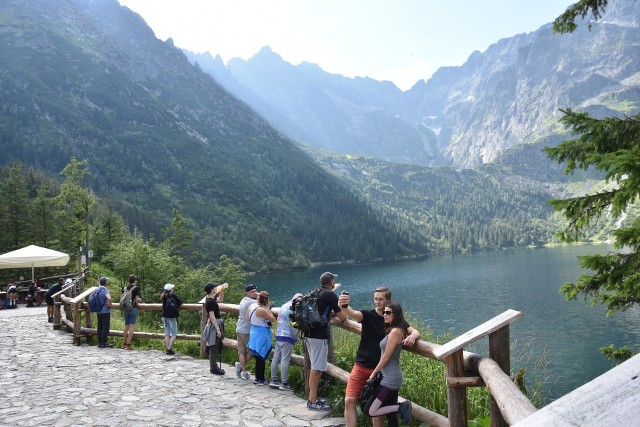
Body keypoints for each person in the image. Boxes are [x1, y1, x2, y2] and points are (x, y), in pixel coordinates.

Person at [338, 287, 421, 427]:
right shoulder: (368, 315)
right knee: (349, 401)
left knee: (377, 410)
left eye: (381, 299)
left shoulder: (393, 320)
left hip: (381, 372)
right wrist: (344, 306)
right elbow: (352, 313)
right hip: (361, 366)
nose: (377, 302)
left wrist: (412, 337)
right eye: (375, 298)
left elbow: (415, 332)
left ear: (388, 300)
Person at [305, 272, 347, 411]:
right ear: (331, 282)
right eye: (334, 280)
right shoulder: (329, 294)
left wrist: (333, 313)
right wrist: (344, 309)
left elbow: (324, 312)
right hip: (318, 336)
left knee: (314, 367)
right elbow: (342, 317)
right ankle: (313, 401)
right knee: (317, 369)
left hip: (309, 334)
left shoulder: (316, 293)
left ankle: (312, 398)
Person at [367, 302, 412, 426]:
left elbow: (386, 357)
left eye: (388, 313)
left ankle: (402, 407)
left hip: (390, 379)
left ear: (396, 314)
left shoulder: (395, 332)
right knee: (391, 416)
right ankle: (398, 408)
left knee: (370, 410)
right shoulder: (395, 329)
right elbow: (414, 332)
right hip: (389, 376)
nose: (384, 315)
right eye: (384, 312)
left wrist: (373, 373)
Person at [269, 292, 302, 391]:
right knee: (285, 360)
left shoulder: (284, 305)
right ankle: (284, 383)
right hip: (287, 336)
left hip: (279, 334)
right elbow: (296, 325)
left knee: (276, 358)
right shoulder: (293, 309)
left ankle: (274, 380)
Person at [247, 290, 275, 385]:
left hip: (253, 331)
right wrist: (268, 309)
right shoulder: (262, 310)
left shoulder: (252, 306)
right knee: (261, 356)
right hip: (261, 334)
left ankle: (257, 378)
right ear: (266, 301)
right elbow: (272, 319)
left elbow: (247, 318)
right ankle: (261, 379)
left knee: (257, 356)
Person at [235, 284, 258, 380]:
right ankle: (242, 369)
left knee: (241, 351)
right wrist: (259, 295)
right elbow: (263, 302)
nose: (254, 293)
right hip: (246, 331)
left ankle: (242, 369)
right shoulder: (252, 302)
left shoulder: (244, 300)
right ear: (246, 293)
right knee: (252, 351)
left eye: (255, 291)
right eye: (252, 292)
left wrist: (257, 294)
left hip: (240, 328)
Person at [203, 282, 226, 375]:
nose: (216, 288)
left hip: (214, 323)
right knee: (213, 346)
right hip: (214, 324)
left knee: (215, 346)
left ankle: (214, 366)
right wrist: (218, 329)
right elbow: (212, 316)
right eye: (215, 288)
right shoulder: (210, 302)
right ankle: (213, 367)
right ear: (212, 290)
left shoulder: (211, 299)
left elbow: (220, 299)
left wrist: (222, 290)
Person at [161, 283, 182, 355]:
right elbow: (180, 302)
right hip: (172, 317)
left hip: (164, 316)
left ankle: (168, 349)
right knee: (174, 333)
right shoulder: (172, 296)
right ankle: (169, 349)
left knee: (167, 333)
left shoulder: (163, 296)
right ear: (170, 290)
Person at [122, 275, 142, 350]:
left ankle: (124, 344)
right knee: (132, 327)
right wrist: (139, 300)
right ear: (135, 281)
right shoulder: (136, 288)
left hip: (126, 308)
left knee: (126, 326)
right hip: (133, 308)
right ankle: (128, 344)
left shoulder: (125, 288)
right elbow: (136, 301)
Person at [95, 277, 113, 348]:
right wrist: (110, 305)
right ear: (105, 283)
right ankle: (104, 342)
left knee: (99, 326)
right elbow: (109, 298)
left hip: (98, 310)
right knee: (105, 327)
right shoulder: (105, 290)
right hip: (105, 311)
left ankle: (99, 342)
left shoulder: (96, 289)